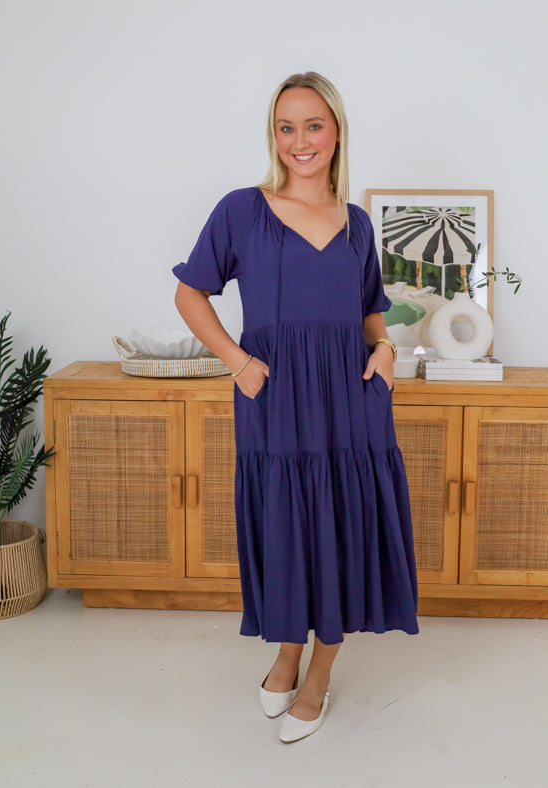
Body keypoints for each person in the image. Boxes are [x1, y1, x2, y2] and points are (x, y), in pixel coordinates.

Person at [173, 71, 418, 743]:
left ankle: (320, 671)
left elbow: (372, 310)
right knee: (286, 523)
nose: (300, 141)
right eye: (287, 127)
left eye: (314, 125)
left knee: (345, 521)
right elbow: (191, 293)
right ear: (273, 136)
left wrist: (386, 349)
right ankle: (287, 650)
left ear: (336, 131)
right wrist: (239, 361)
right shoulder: (240, 210)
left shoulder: (359, 222)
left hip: (350, 396)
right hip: (274, 392)